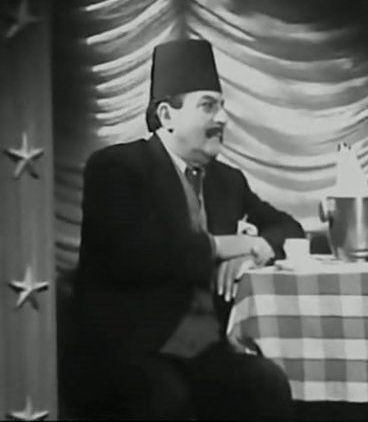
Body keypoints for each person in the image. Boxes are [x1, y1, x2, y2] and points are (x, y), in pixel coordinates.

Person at [73, 39, 305, 420]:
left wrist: (255, 252)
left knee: (268, 383)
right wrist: (225, 246)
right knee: (167, 399)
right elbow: (139, 256)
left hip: (204, 351)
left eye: (222, 106)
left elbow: (289, 228)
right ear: (167, 115)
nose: (223, 119)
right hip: (132, 350)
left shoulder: (227, 181)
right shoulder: (116, 168)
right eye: (208, 106)